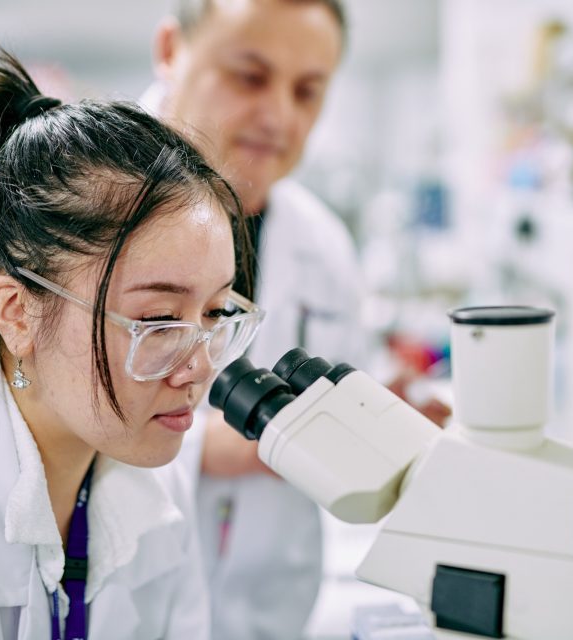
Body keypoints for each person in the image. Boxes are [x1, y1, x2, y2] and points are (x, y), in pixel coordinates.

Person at [147, 2, 449, 638]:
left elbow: (349, 379)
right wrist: (221, 448)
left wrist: (392, 404)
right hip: (128, 599)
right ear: (172, 49)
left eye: (308, 91)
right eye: (249, 77)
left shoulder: (323, 244)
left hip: (273, 611)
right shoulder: (85, 219)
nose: (280, 117)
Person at [0, 48, 263, 640]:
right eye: (160, 320)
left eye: (216, 311)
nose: (198, 367)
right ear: (17, 314)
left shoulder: (158, 490)